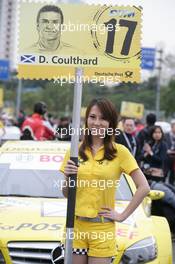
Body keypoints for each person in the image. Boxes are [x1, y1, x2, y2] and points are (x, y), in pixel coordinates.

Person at [60, 98, 150, 264]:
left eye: (103, 118)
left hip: (103, 229)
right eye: (92, 117)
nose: (97, 123)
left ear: (111, 123)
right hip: (76, 226)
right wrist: (67, 177)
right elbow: (67, 194)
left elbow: (144, 187)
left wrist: (122, 215)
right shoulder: (74, 150)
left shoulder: (120, 152)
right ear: (86, 119)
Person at [140, 125, 175, 209]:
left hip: (157, 176)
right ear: (151, 133)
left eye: (159, 132)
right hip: (147, 173)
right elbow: (142, 158)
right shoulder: (150, 143)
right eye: (155, 132)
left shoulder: (163, 145)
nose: (157, 134)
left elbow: (161, 160)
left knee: (157, 196)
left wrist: (150, 152)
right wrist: (146, 153)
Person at [165, 119, 175, 185]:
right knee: (165, 174)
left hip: (174, 159)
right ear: (171, 127)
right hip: (167, 157)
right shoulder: (166, 135)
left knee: (173, 176)